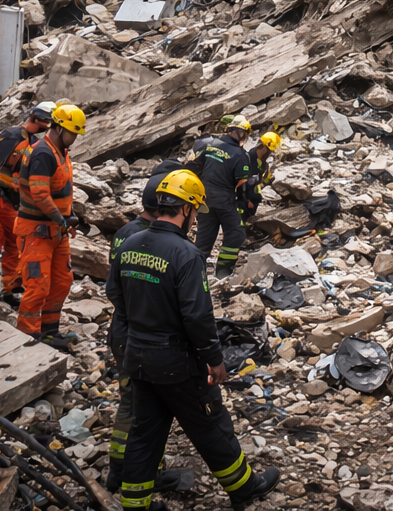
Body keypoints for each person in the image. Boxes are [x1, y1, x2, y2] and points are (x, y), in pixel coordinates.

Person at [107, 169, 280, 511]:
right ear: (186, 209)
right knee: (211, 424)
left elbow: (116, 296)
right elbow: (197, 316)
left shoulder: (128, 244)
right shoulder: (186, 255)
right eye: (195, 212)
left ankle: (135, 504)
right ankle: (245, 488)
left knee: (144, 433)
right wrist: (214, 359)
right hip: (176, 362)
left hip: (138, 358)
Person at [105, 164, 187, 496]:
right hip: (140, 337)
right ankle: (129, 473)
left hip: (123, 330)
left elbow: (114, 289)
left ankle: (123, 468)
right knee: (140, 408)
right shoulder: (148, 239)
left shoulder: (125, 233)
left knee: (133, 403)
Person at [15, 103, 86, 348]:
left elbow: (60, 190)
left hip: (57, 231)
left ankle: (49, 332)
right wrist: (61, 219)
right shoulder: (43, 153)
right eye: (72, 133)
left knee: (61, 281)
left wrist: (70, 215)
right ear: (57, 127)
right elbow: (40, 194)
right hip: (36, 232)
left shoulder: (60, 151)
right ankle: (28, 338)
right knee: (37, 285)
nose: (74, 139)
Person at [0, 100, 56, 301]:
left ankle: (11, 289)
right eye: (48, 122)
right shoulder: (12, 137)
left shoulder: (33, 142)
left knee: (13, 245)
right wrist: (17, 184)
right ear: (38, 119)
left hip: (10, 204)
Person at [192, 117, 257, 278]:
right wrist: (244, 203)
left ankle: (193, 274)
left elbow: (196, 165)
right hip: (224, 201)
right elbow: (242, 184)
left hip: (204, 200)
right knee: (236, 233)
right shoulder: (240, 155)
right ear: (240, 133)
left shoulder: (210, 144)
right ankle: (223, 272)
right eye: (244, 134)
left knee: (204, 239)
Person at [237, 132, 280, 221]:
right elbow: (241, 183)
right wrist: (246, 200)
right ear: (264, 147)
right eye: (269, 151)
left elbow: (257, 183)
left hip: (252, 201)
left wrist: (265, 182)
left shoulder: (262, 163)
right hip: (242, 201)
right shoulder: (248, 159)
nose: (270, 154)